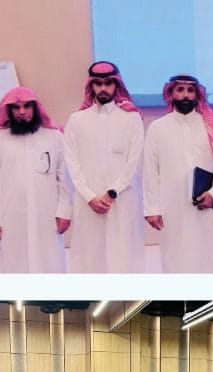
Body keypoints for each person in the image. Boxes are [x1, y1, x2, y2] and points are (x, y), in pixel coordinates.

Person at [63, 61, 145, 273]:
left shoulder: (131, 118)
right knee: (90, 256)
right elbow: (72, 163)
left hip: (122, 199)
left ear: (116, 85)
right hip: (87, 202)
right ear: (91, 86)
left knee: (124, 255)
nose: (103, 88)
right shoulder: (77, 120)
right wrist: (90, 196)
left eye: (108, 83)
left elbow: (134, 161)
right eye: (98, 84)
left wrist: (112, 192)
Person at [143, 74, 213, 272]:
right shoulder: (158, 127)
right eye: (180, 90)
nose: (185, 95)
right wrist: (152, 209)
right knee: (175, 259)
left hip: (205, 206)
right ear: (171, 94)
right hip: (172, 208)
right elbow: (150, 170)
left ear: (197, 95)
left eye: (190, 90)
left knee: (208, 260)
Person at [0, 86, 72, 273]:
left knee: (50, 263)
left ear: (35, 108)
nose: (22, 112)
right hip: (11, 216)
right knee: (15, 265)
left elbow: (64, 178)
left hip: (47, 214)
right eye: (16, 108)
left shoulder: (54, 137)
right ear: (9, 111)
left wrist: (64, 211)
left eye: (26, 106)